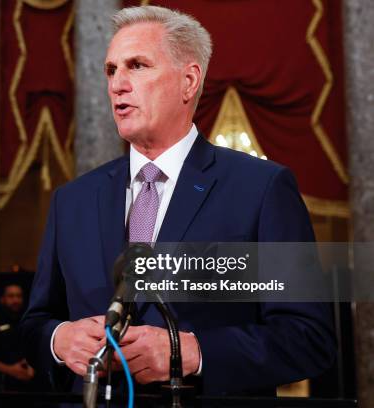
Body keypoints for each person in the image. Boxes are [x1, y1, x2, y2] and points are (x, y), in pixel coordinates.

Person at [20, 5, 336, 396]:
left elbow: (308, 337)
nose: (117, 84)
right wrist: (58, 339)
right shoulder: (73, 201)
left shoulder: (261, 189)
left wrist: (194, 351)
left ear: (189, 82)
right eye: (111, 69)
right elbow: (35, 324)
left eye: (137, 65)